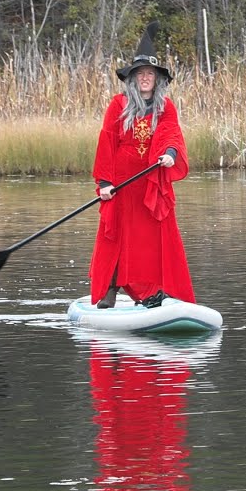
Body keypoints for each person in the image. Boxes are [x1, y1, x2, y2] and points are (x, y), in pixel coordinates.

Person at [89, 22, 195, 309]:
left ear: (157, 79)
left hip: (150, 184)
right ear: (132, 79)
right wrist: (104, 183)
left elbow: (172, 134)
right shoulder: (118, 105)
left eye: (150, 74)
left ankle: (155, 291)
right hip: (122, 184)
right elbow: (107, 143)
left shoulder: (165, 107)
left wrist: (171, 153)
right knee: (116, 236)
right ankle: (109, 292)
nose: (145, 78)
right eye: (140, 74)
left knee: (151, 240)